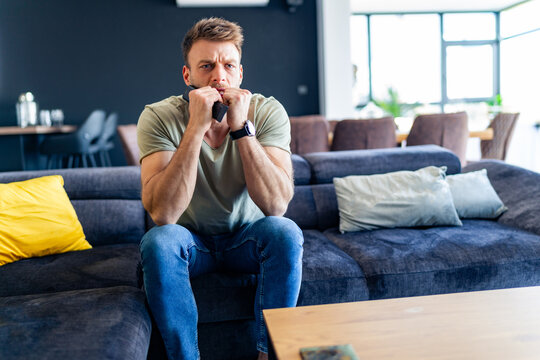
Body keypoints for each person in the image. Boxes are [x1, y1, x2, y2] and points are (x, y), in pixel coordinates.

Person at [137, 17, 304, 360]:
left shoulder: (268, 111)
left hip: (246, 238)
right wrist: (195, 128)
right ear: (188, 76)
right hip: (191, 243)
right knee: (158, 241)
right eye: (207, 66)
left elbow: (276, 205)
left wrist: (242, 129)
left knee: (285, 232)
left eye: (228, 65)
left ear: (240, 74)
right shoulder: (159, 117)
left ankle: (268, 354)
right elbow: (163, 214)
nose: (219, 77)